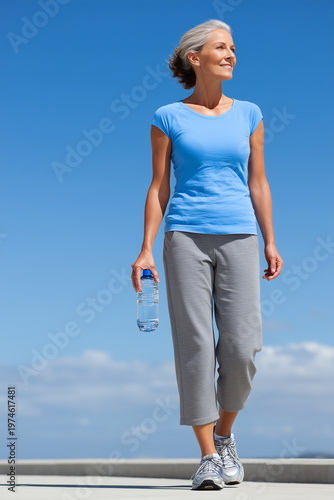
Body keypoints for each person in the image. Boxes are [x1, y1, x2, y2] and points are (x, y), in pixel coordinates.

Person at [131, 18, 283, 491]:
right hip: (185, 239)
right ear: (195, 58)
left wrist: (270, 239)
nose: (232, 54)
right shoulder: (167, 117)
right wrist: (145, 251)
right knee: (194, 346)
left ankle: (225, 433)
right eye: (221, 47)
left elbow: (258, 181)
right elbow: (159, 187)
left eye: (233, 47)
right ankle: (208, 457)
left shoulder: (251, 114)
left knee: (241, 347)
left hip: (239, 236)